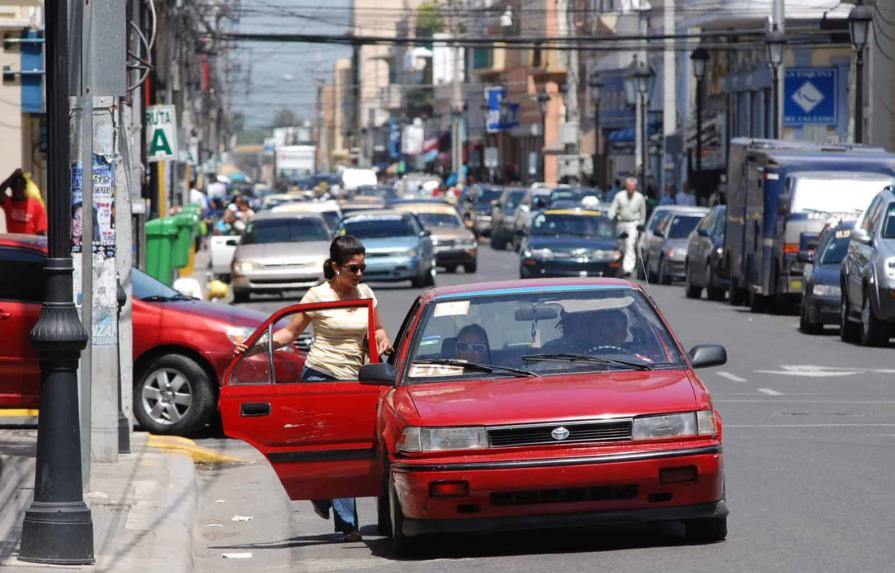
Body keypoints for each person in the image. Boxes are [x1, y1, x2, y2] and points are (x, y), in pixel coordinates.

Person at [232, 235, 392, 542]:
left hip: (357, 380)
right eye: (353, 268)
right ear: (335, 266)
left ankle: (322, 491)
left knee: (357, 448)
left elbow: (378, 328)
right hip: (321, 376)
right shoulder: (316, 295)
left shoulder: (367, 292)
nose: (360, 274)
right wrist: (251, 348)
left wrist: (382, 339)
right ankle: (348, 526)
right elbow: (288, 334)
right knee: (338, 449)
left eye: (363, 267)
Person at [607, 177, 647, 278]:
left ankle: (627, 269)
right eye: (629, 186)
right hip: (621, 223)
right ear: (626, 186)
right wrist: (610, 217)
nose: (631, 188)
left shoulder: (639, 197)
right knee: (621, 246)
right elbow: (613, 209)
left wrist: (641, 224)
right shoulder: (619, 196)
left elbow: (643, 213)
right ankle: (621, 266)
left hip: (633, 224)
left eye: (633, 186)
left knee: (630, 244)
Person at [0, 169, 47, 235]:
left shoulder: (36, 206)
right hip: (13, 243)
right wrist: (13, 176)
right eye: (14, 187)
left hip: (29, 244)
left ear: (24, 187)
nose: (16, 190)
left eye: (19, 187)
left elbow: (40, 232)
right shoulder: (8, 203)